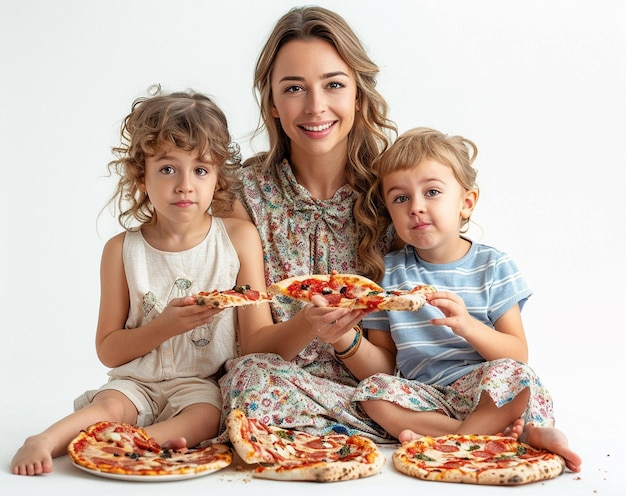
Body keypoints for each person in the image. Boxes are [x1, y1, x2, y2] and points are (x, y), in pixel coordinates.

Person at [11, 88, 273, 475]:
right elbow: (109, 350)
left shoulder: (237, 238)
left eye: (200, 169)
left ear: (218, 178)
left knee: (206, 416)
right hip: (135, 379)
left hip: (199, 382)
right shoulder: (122, 250)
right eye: (168, 168)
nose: (185, 184)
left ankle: (137, 442)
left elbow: (254, 333)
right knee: (109, 406)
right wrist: (164, 327)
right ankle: (45, 440)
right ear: (141, 176)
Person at [349, 126, 581, 472]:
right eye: (401, 198)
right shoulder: (386, 276)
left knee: (514, 377)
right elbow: (385, 362)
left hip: (490, 395)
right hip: (428, 398)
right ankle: (496, 438)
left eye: (432, 192)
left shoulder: (493, 265)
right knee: (371, 391)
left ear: (466, 202)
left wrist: (469, 327)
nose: (416, 207)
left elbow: (517, 354)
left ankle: (457, 441)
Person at [216, 5, 399, 443]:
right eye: (294, 88)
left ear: (358, 93)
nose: (316, 107)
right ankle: (377, 430)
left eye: (333, 85)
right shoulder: (243, 196)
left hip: (378, 386)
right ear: (273, 103)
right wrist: (311, 324)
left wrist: (345, 341)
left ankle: (338, 427)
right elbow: (252, 346)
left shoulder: (395, 192)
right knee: (249, 379)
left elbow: (399, 361)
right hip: (276, 383)